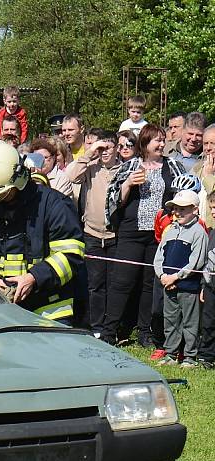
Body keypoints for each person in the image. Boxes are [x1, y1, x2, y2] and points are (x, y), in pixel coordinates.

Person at [0, 141, 85, 324]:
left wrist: (34, 277)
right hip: (0, 308)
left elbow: (71, 255)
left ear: (18, 180)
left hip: (49, 309)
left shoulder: (53, 205)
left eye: (1, 193)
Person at [100, 124, 187, 348]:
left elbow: (185, 193)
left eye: (163, 140)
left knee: (150, 284)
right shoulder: (130, 166)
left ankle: (145, 332)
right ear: (145, 143)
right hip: (131, 232)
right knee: (122, 282)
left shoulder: (174, 166)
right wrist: (129, 183)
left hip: (160, 234)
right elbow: (113, 199)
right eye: (156, 140)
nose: (161, 144)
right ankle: (109, 331)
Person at [66, 131, 121, 336]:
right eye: (101, 148)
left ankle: (111, 327)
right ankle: (97, 326)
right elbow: (72, 176)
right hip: (92, 233)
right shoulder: (90, 168)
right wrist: (90, 152)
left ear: (116, 148)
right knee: (95, 284)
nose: (105, 152)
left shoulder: (123, 170)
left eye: (108, 147)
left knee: (114, 283)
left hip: (115, 235)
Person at [153, 190, 208, 367]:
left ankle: (190, 357)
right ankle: (171, 354)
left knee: (190, 322)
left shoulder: (199, 232)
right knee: (170, 320)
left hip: (188, 286)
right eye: (175, 208)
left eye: (183, 209)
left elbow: (196, 262)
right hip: (168, 284)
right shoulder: (169, 230)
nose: (178, 212)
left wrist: (175, 277)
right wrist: (163, 276)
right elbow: (159, 257)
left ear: (195, 209)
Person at [199, 191, 215, 369]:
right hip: (211, 286)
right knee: (209, 321)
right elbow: (207, 262)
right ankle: (206, 356)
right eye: (211, 208)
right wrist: (204, 285)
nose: (213, 212)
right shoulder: (212, 234)